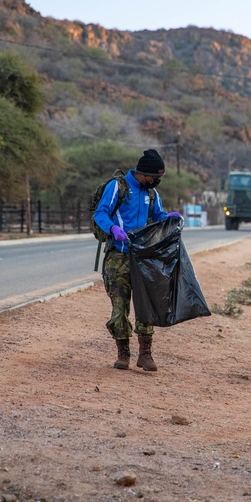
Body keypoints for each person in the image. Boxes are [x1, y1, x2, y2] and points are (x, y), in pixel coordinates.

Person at [93, 148, 181, 372]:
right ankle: (123, 354)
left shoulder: (151, 194)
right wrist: (112, 228)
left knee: (146, 305)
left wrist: (167, 218)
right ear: (143, 173)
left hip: (143, 258)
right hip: (119, 256)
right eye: (155, 177)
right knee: (119, 306)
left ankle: (145, 354)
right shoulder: (118, 187)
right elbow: (100, 213)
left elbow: (157, 216)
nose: (156, 182)